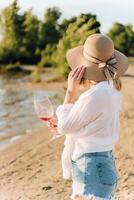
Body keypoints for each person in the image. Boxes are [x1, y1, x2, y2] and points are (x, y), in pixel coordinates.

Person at [49, 34, 128, 200]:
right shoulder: (113, 93)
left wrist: (70, 92)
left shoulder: (92, 96)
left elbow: (65, 127)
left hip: (90, 166)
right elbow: (92, 124)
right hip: (106, 163)